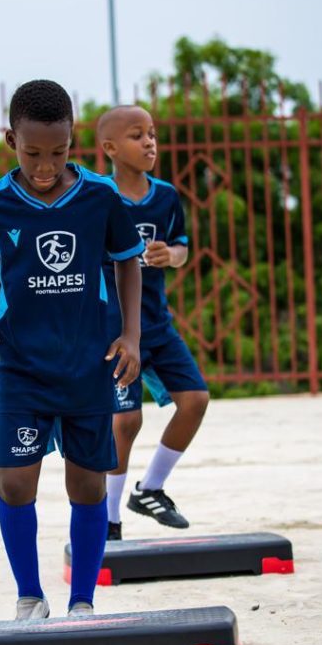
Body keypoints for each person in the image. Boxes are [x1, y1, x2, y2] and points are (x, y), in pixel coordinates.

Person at [0, 80, 144, 618]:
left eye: (58, 152)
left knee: (86, 485)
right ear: (10, 141)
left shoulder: (99, 196)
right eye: (32, 152)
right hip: (23, 370)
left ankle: (82, 602)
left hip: (89, 365)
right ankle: (29, 597)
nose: (45, 166)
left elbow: (128, 262)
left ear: (72, 141)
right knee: (16, 483)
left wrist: (131, 335)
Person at [98, 105, 209, 540]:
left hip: (157, 326)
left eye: (152, 134)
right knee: (126, 422)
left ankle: (150, 489)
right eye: (136, 135)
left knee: (195, 400)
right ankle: (108, 520)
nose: (149, 142)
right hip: (115, 331)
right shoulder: (97, 198)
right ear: (110, 148)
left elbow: (181, 246)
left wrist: (171, 256)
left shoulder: (165, 196)